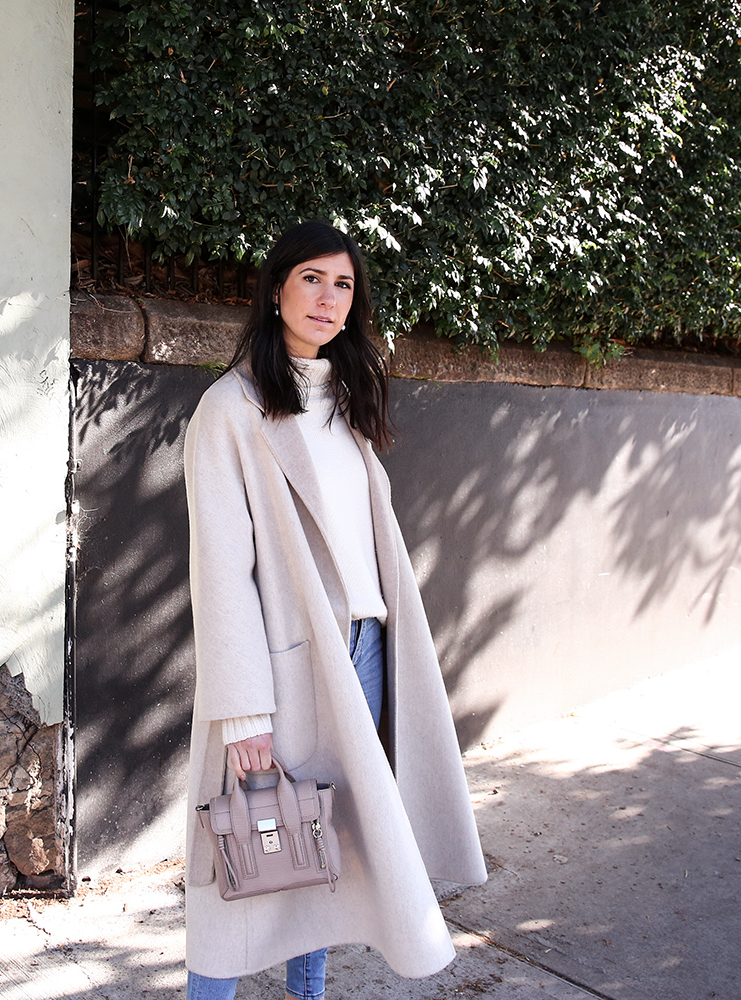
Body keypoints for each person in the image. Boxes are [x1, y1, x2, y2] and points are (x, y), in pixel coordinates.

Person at [181, 220, 487, 1000]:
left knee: (332, 848)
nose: (326, 297)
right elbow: (222, 567)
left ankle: (307, 994)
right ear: (276, 288)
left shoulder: (345, 399)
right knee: (246, 855)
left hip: (368, 649)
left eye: (343, 284)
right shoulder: (232, 408)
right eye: (311, 278)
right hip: (289, 665)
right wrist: (243, 709)